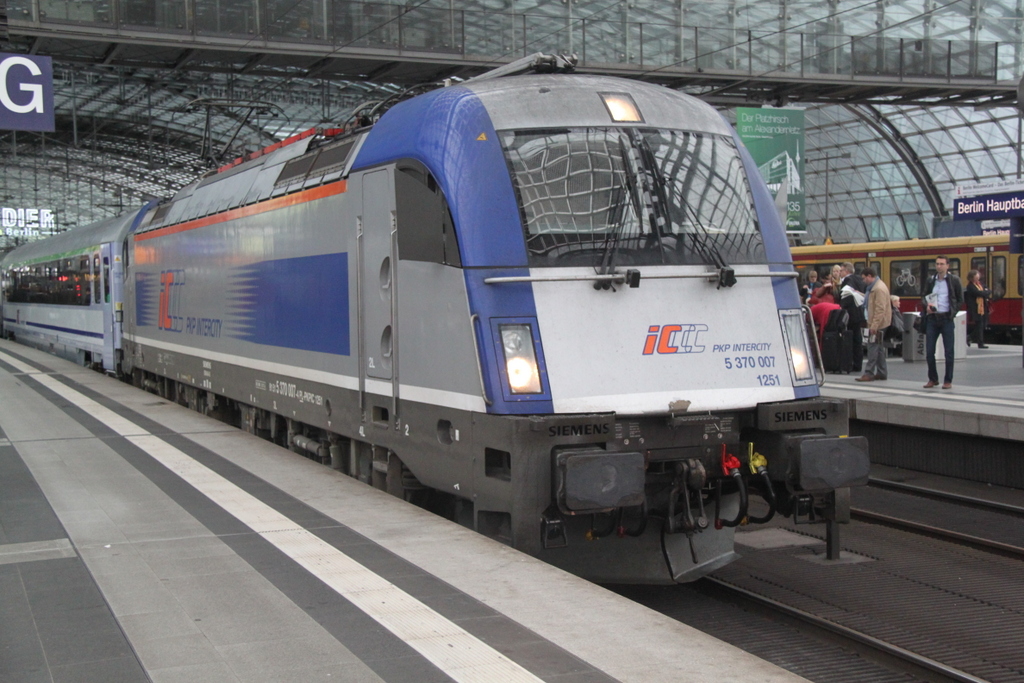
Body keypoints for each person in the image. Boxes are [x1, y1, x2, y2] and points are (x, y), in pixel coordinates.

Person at [922, 256, 964, 389]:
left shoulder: (954, 280)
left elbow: (959, 299)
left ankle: (948, 380)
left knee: (949, 351)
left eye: (941, 264)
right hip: (932, 319)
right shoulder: (931, 280)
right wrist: (926, 306)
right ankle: (933, 379)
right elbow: (924, 296)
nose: (939, 266)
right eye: (937, 264)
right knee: (929, 351)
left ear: (947, 266)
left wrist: (952, 313)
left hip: (946, 318)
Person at [856, 268, 891, 381]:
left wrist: (874, 326)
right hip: (878, 322)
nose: (863, 281)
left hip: (878, 323)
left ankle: (869, 373)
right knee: (879, 348)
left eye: (864, 278)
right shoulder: (875, 287)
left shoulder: (878, 289)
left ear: (869, 276)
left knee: (872, 347)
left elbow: (880, 309)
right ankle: (882, 372)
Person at [838, 262, 866, 372]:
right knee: (858, 339)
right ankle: (858, 363)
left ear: (847, 271)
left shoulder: (847, 281)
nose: (840, 273)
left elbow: (846, 297)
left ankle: (850, 363)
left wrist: (841, 306)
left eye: (841, 270)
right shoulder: (859, 279)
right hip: (859, 313)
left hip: (850, 314)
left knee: (850, 339)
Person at [964, 269, 990, 348]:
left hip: (983, 308)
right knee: (979, 325)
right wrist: (984, 292)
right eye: (976, 276)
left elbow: (988, 290)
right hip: (976, 308)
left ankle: (969, 337)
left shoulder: (980, 284)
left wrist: (984, 292)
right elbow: (978, 293)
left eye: (978, 276)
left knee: (983, 325)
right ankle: (980, 343)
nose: (978, 278)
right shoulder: (970, 286)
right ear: (972, 277)